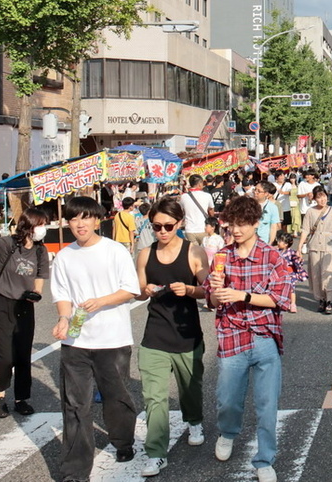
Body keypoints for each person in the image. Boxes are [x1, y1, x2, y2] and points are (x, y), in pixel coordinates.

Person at [51, 196, 141, 481]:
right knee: (76, 404)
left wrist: (101, 301)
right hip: (76, 342)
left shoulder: (114, 251)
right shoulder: (65, 256)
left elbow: (131, 289)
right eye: (74, 218)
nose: (80, 224)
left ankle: (123, 440)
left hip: (112, 338)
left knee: (116, 396)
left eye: (86, 217)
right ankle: (75, 470)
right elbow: (62, 295)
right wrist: (64, 319)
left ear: (97, 219)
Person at [206, 196, 292, 482]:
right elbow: (209, 296)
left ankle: (265, 459)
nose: (237, 230)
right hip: (231, 334)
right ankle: (228, 432)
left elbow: (280, 298)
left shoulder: (272, 256)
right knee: (227, 399)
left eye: (243, 223)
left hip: (265, 336)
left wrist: (243, 296)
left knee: (268, 404)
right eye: (233, 224)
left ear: (257, 223)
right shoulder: (223, 256)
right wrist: (216, 293)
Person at [135, 197, 209, 477]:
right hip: (154, 334)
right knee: (154, 398)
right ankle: (156, 452)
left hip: (187, 333)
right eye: (156, 226)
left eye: (168, 226)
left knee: (190, 387)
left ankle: (194, 419)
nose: (162, 232)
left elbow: (209, 289)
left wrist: (189, 291)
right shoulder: (145, 254)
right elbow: (139, 290)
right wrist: (147, 290)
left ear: (180, 224)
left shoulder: (194, 252)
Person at [0, 208, 50, 418]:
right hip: (1, 303)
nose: (43, 229)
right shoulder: (7, 244)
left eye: (45, 224)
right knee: (6, 357)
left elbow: (41, 274)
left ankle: (21, 398)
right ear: (29, 225)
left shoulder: (40, 250)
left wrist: (37, 292)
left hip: (24, 306)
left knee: (23, 355)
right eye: (40, 224)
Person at [297, 186, 332, 315]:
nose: (322, 199)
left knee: (329, 272)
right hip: (314, 246)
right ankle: (321, 299)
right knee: (316, 273)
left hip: (331, 245)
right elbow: (305, 230)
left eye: (323, 196)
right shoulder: (310, 212)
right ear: (314, 199)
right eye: (319, 197)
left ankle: (329, 300)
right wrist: (299, 247)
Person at [274, 232, 307, 313]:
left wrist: (299, 259)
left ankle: (293, 304)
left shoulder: (291, 252)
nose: (278, 242)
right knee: (280, 289)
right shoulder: (276, 251)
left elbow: (296, 259)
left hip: (289, 274)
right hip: (279, 273)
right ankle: (282, 303)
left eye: (280, 241)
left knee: (291, 289)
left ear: (286, 244)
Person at [180, 175, 215, 245]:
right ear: (200, 184)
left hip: (189, 230)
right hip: (204, 229)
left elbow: (181, 212)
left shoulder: (183, 197)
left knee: (193, 253)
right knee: (205, 253)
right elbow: (211, 211)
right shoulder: (207, 196)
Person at [254, 181, 281, 245]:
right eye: (255, 190)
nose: (255, 192)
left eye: (259, 191)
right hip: (249, 240)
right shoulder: (248, 205)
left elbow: (273, 226)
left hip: (264, 241)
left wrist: (270, 242)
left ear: (266, 193)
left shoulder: (273, 207)